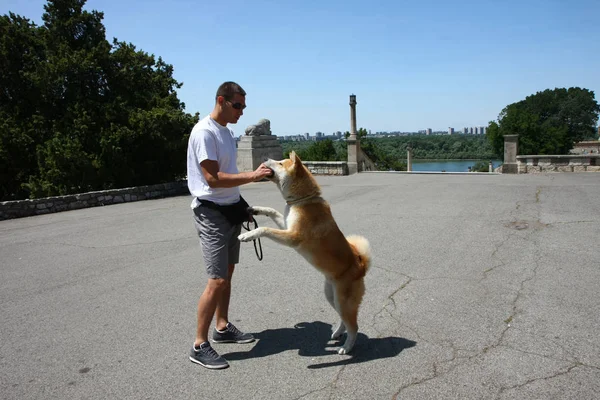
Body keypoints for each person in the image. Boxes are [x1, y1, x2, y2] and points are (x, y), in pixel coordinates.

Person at [186, 81, 272, 369]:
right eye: (237, 106)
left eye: (244, 107)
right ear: (221, 100)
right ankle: (199, 345)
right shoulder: (204, 132)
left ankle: (221, 328)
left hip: (230, 209)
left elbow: (228, 177)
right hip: (210, 213)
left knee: (228, 272)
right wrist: (253, 176)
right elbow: (212, 179)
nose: (241, 112)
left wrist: (242, 205)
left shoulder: (227, 132)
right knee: (217, 279)